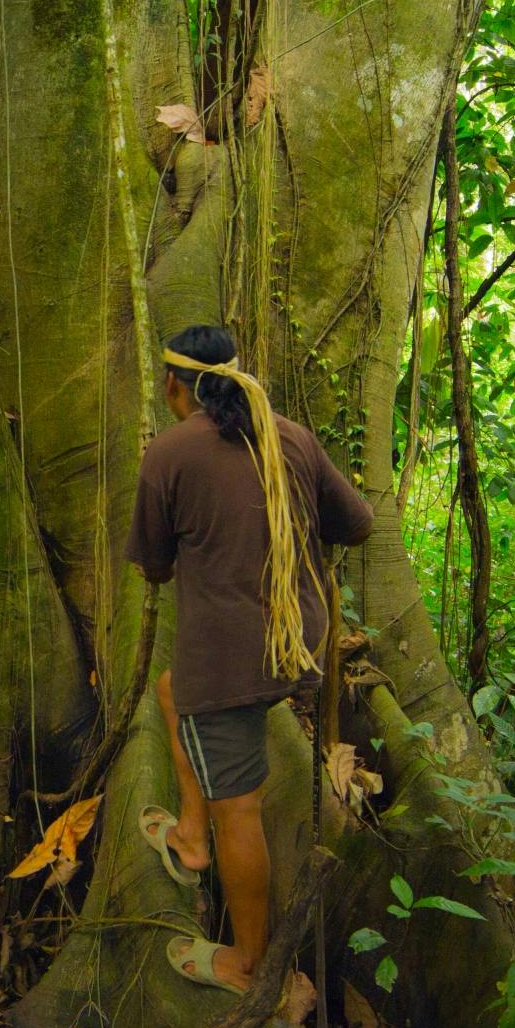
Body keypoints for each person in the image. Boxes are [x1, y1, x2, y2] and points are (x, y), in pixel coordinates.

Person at [123, 324, 374, 993]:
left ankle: (248, 962)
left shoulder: (168, 454)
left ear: (174, 385)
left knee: (242, 805)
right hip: (299, 644)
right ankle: (190, 832)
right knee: (173, 692)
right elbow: (358, 523)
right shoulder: (289, 435)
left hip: (232, 664)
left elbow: (151, 567)